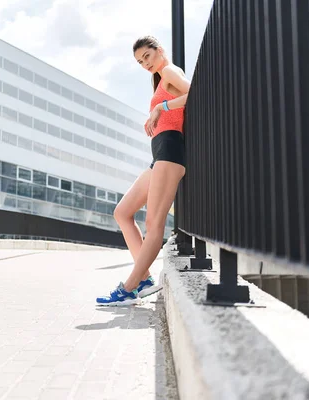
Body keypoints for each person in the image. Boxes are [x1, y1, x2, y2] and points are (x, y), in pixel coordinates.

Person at [96, 36, 190, 306]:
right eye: (139, 62)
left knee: (153, 225)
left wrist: (161, 107)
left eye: (147, 57)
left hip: (171, 153)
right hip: (159, 154)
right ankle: (144, 278)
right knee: (122, 212)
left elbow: (194, 92)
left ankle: (129, 287)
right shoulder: (160, 79)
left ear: (159, 51)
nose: (144, 64)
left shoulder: (170, 72)